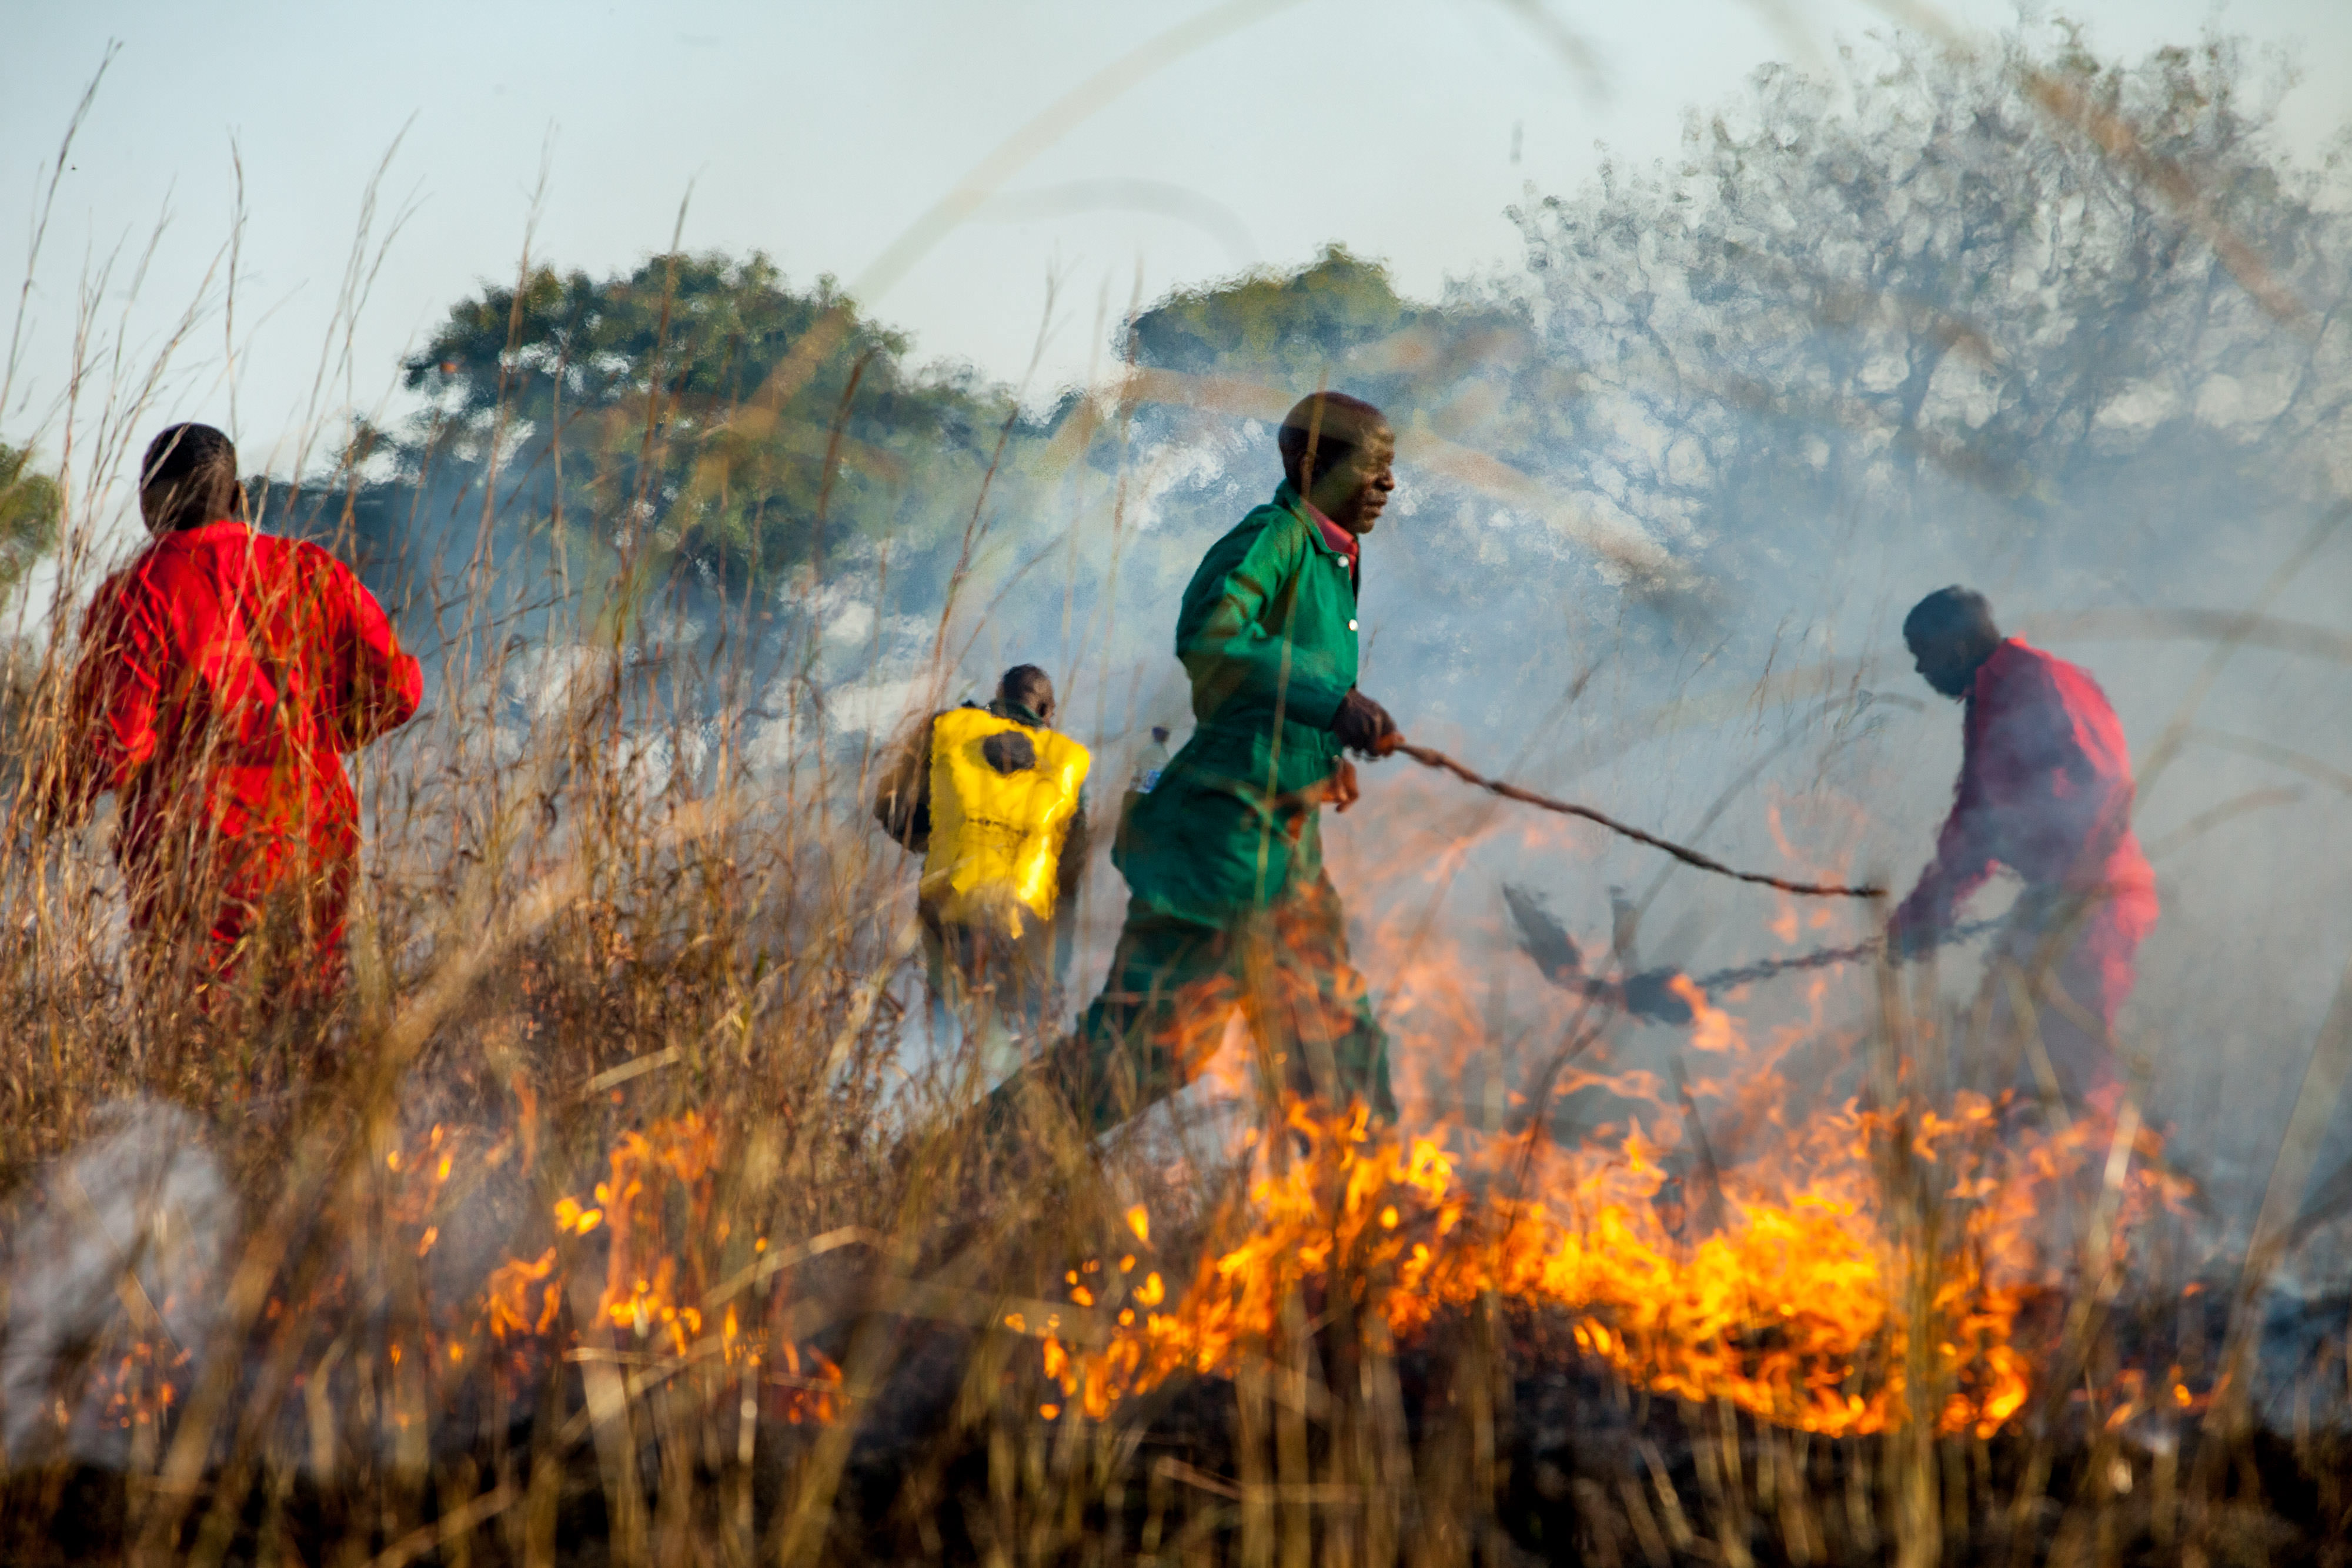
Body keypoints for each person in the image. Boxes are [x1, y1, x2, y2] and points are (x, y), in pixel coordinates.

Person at [990, 391, 1403, 1139]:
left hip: (1280, 835)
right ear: (1307, 464)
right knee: (1148, 1046)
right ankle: (973, 1164)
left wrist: (1324, 754)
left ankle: (1371, 1221)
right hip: (1219, 837)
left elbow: (1268, 701)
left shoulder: (1332, 561)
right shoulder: (1271, 537)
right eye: (1373, 469)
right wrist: (1329, 701)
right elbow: (1212, 638)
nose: (1387, 487)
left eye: (1390, 472)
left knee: (1333, 1037)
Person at [49, 422, 422, 1011]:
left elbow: (119, 745)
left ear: (148, 506)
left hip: (193, 854)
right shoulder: (313, 571)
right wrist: (326, 734)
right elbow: (398, 688)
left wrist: (60, 799)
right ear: (240, 495)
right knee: (310, 1016)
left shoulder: (134, 594)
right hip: (316, 836)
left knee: (198, 1027)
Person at [1886, 586, 2159, 1109]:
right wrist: (1921, 918)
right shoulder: (1992, 695)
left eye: (1923, 655)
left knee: (2069, 1073)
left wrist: (2069, 894)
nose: (1921, 671)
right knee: (1999, 1053)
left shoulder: (2039, 684)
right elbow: (1976, 824)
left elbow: (2108, 789)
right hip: (2059, 905)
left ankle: (2094, 1178)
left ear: (1957, 648)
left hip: (2096, 907)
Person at [875, 664, 1092, 1046]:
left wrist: (934, 836)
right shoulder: (1068, 764)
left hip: (946, 907)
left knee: (946, 1025)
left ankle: (937, 1079)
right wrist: (1058, 970)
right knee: (1018, 1040)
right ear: (1046, 712)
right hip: (1024, 924)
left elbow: (889, 803)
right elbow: (1071, 870)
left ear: (998, 692)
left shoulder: (948, 728)